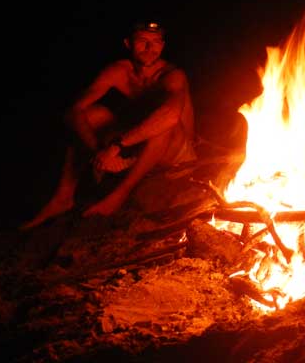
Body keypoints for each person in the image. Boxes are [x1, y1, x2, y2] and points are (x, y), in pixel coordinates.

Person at [20, 21, 197, 229]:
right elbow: (73, 111)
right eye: (142, 41)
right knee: (92, 115)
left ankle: (120, 194)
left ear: (163, 45)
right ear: (128, 43)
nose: (150, 48)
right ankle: (63, 198)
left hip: (176, 151)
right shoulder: (119, 71)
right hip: (139, 146)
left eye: (156, 42)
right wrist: (99, 152)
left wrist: (115, 147)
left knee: (164, 123)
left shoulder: (172, 75)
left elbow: (171, 116)